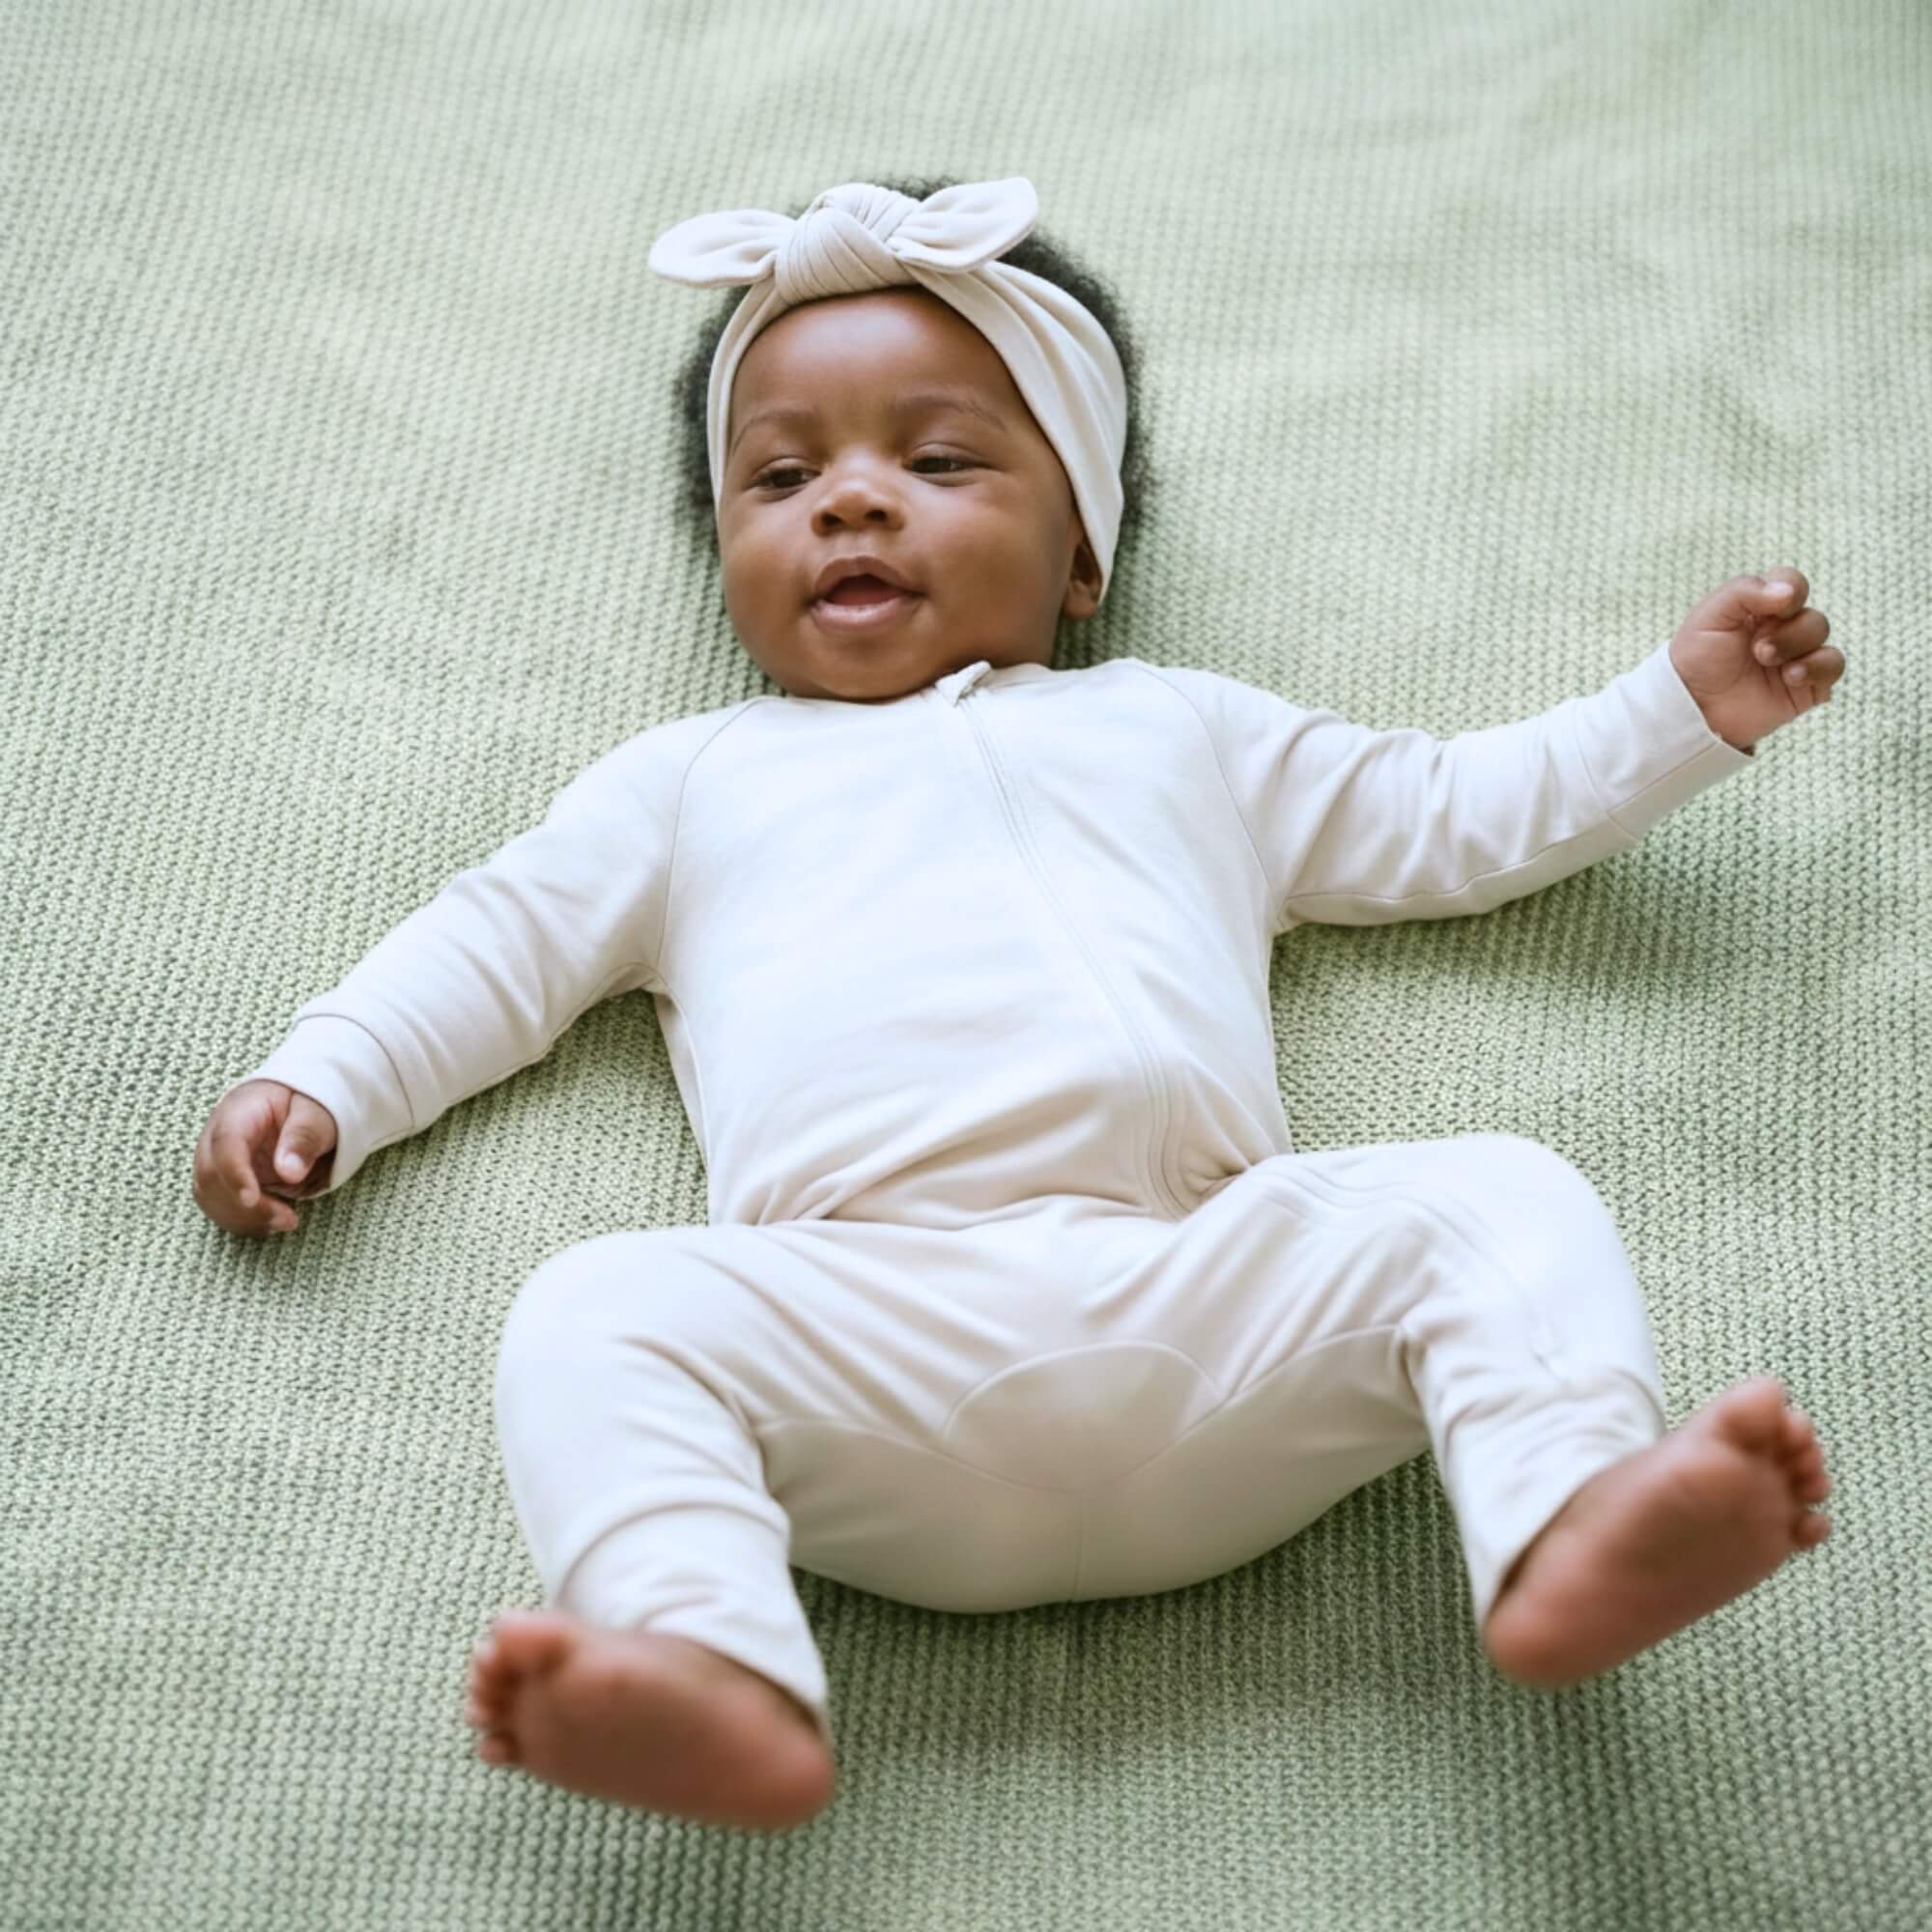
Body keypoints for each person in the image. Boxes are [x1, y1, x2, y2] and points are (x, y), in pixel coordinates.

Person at [189, 176, 1843, 1835]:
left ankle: (1569, 1522)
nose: (848, 504)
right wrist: (330, 1076)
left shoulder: (1182, 731)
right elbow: (496, 948)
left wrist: (1671, 716)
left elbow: (1451, 815)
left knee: (1496, 1195)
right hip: (866, 1348)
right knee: (592, 1311)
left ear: (1083, 552)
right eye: (782, 476)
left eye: (936, 459)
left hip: (1211, 1304)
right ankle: (701, 1661)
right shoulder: (689, 783)